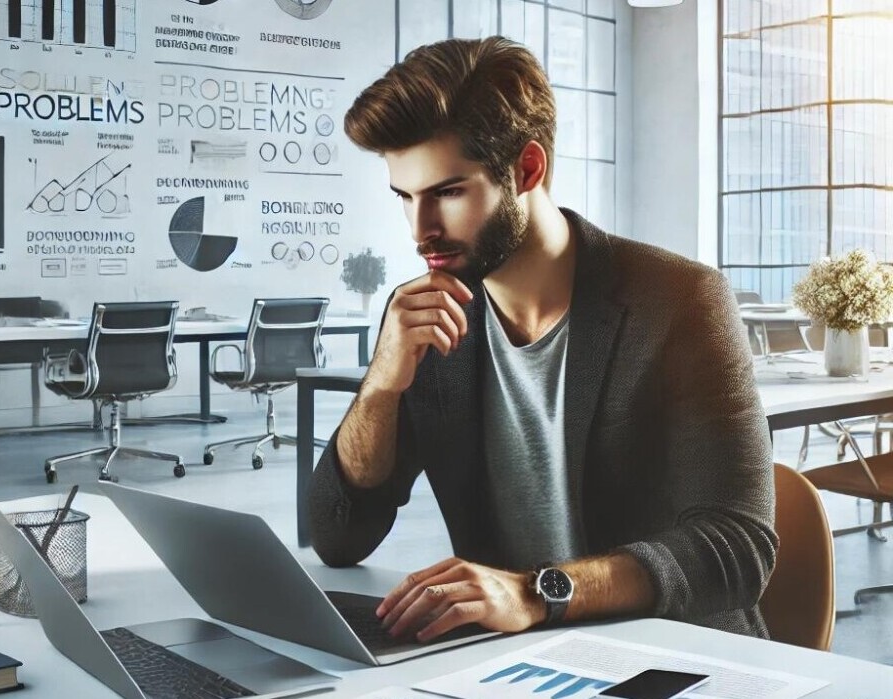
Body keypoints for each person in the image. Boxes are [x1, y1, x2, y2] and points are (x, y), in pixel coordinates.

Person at [308, 36, 776, 644]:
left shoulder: (681, 300)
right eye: (406, 197)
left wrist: (537, 592)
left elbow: (737, 548)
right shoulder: (425, 316)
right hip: (509, 661)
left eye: (448, 193)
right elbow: (339, 538)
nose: (421, 230)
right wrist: (381, 388)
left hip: (670, 654)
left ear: (528, 169)